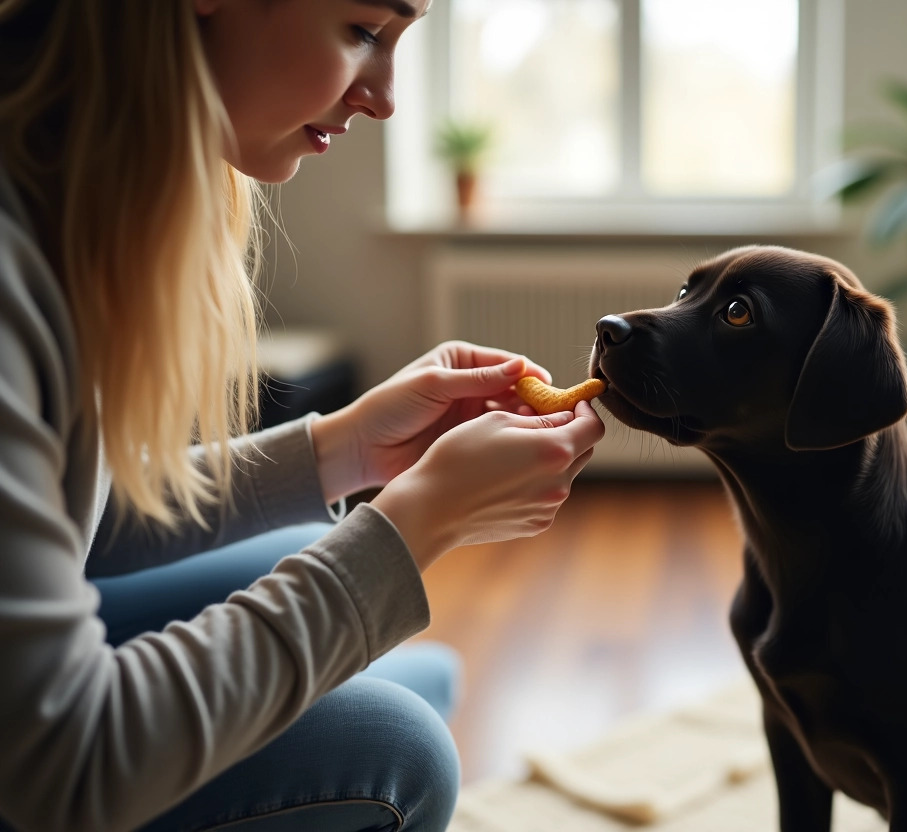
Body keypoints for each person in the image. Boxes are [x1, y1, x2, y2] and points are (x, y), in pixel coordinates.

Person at [0, 1, 605, 830]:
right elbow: (61, 768)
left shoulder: (58, 188)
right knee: (401, 750)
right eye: (364, 31)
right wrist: (416, 524)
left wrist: (345, 448)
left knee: (300, 554)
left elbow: (81, 518)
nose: (387, 99)